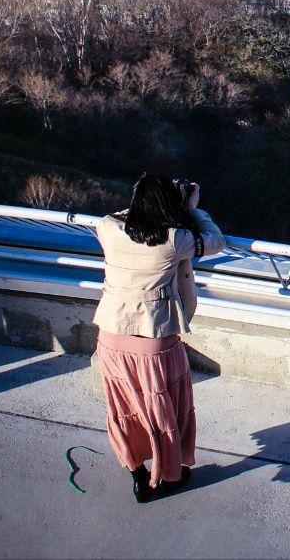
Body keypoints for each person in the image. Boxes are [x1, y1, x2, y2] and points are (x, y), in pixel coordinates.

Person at [90, 173, 225, 503]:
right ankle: (167, 476)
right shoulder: (174, 239)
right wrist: (191, 208)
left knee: (125, 406)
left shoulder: (107, 228)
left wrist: (147, 198)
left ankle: (136, 471)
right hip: (153, 340)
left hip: (111, 336)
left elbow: (130, 216)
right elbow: (216, 240)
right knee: (162, 409)